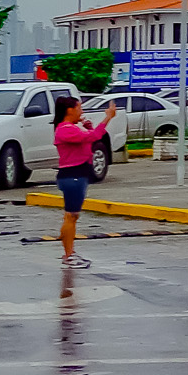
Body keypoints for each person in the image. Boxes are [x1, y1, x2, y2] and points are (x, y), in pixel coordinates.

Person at [53, 94, 115, 264]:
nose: (81, 111)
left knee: (72, 216)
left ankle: (70, 251)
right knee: (71, 215)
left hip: (77, 175)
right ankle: (68, 254)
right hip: (72, 175)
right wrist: (107, 118)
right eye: (79, 107)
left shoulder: (71, 128)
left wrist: (89, 128)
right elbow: (92, 138)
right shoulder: (65, 128)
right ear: (69, 110)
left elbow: (87, 143)